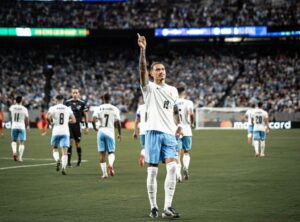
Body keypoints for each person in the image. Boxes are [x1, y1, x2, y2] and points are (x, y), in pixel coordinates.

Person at [137, 33, 182, 219]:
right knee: (153, 171)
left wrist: (179, 125)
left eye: (163, 69)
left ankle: (168, 207)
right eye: (157, 69)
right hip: (153, 133)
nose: (161, 71)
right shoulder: (148, 89)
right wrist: (143, 51)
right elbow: (141, 71)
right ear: (152, 73)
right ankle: (153, 206)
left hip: (170, 134)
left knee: (172, 168)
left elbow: (175, 110)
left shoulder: (173, 90)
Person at [92, 93, 121, 179]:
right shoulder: (115, 109)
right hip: (110, 132)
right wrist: (119, 133)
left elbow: (93, 120)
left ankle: (104, 174)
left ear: (103, 99)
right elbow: (118, 123)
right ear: (110, 99)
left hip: (101, 131)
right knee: (111, 152)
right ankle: (111, 165)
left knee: (102, 154)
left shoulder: (98, 108)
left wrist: (95, 128)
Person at [47, 95, 76, 175]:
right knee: (65, 151)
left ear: (56, 100)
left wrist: (51, 123)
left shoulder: (52, 108)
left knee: (55, 148)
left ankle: (57, 160)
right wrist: (67, 121)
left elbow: (47, 117)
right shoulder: (67, 108)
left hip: (56, 131)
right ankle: (63, 168)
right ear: (63, 100)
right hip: (65, 132)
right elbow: (74, 120)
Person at [65, 88, 89, 167]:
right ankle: (68, 162)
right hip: (69, 125)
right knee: (70, 142)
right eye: (73, 93)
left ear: (79, 94)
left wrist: (86, 126)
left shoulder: (82, 103)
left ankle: (79, 161)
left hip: (78, 125)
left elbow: (86, 115)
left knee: (77, 143)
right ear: (71, 94)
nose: (75, 94)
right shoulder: (67, 102)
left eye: (76, 92)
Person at [176, 86, 194, 182]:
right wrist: (192, 122)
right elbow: (191, 113)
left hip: (176, 130)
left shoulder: (173, 102)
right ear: (184, 93)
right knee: (186, 152)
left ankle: (178, 175)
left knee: (177, 153)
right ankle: (185, 167)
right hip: (186, 129)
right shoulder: (189, 102)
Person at [9, 96, 29, 162]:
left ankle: (14, 152)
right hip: (21, 126)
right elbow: (27, 118)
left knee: (14, 140)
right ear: (21, 101)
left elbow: (10, 111)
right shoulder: (24, 109)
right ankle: (20, 157)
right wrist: (27, 126)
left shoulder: (12, 107)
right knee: (21, 142)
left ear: (15, 100)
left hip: (14, 126)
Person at [133, 97, 146, 167]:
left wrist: (135, 132)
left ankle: (142, 155)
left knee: (144, 147)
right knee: (151, 149)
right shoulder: (153, 106)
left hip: (142, 130)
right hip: (151, 130)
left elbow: (136, 121)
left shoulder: (140, 107)